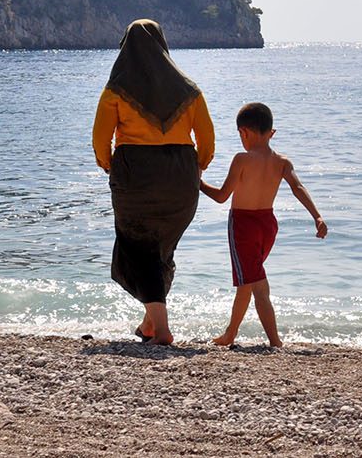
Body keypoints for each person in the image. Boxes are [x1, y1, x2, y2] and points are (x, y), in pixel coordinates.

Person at [92, 19, 215, 346]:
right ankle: (150, 324)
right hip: (181, 178)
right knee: (162, 248)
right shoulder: (189, 91)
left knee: (136, 246)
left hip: (136, 175)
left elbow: (100, 140)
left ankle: (161, 331)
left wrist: (110, 167)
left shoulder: (116, 90)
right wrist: (195, 170)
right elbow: (208, 142)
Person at [199, 101, 327, 347]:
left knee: (257, 286)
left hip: (243, 226)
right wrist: (317, 216)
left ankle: (275, 341)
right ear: (272, 132)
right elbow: (297, 188)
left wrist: (198, 182)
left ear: (243, 132)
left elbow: (222, 196)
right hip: (268, 226)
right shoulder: (282, 162)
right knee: (249, 281)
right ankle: (230, 334)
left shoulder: (242, 159)